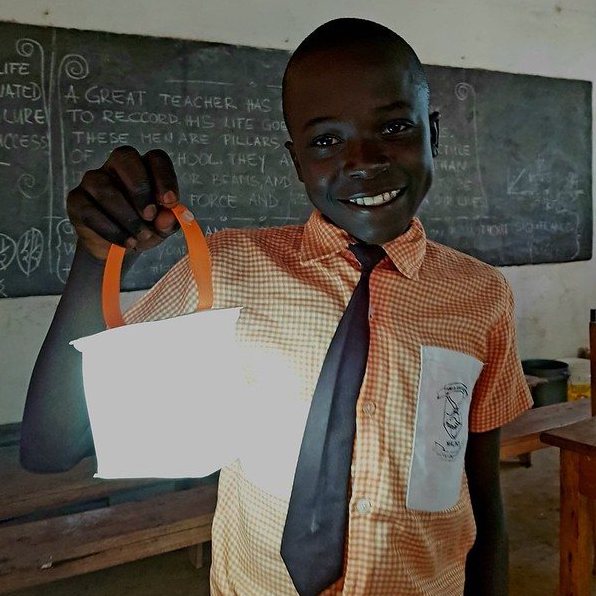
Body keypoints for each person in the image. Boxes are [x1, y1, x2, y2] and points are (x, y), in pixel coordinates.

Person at [20, 17, 532, 595]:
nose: (364, 159)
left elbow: (483, 500)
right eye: (325, 140)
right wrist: (96, 260)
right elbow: (52, 444)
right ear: (295, 161)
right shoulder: (227, 270)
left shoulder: (480, 295)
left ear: (431, 134)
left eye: (393, 126)